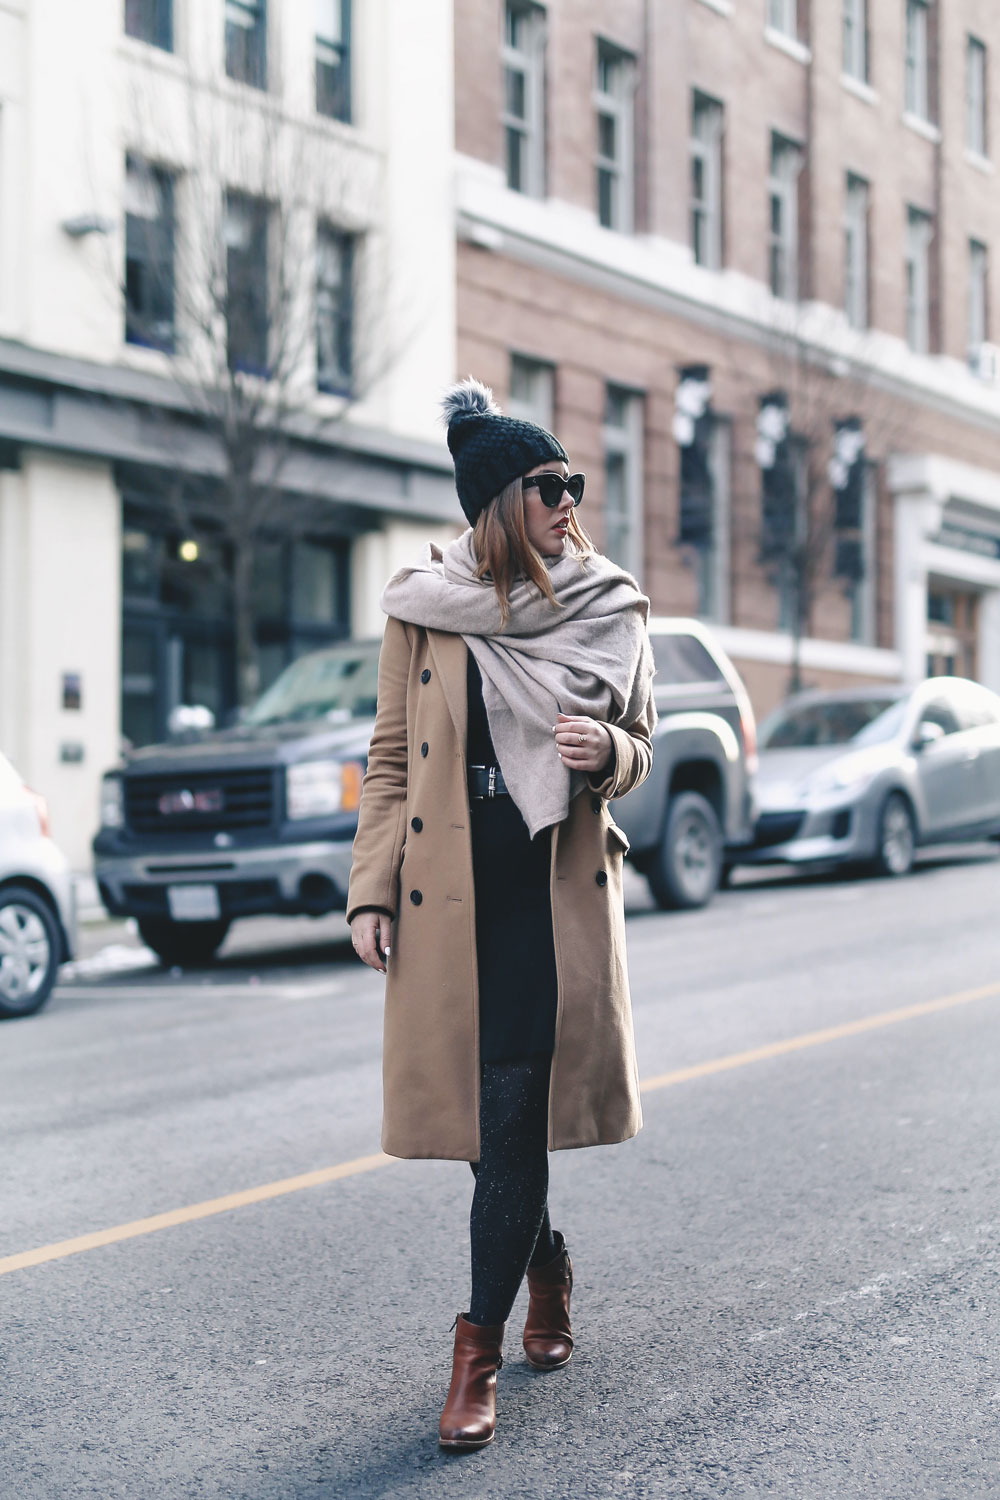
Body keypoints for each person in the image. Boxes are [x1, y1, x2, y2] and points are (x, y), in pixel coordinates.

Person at [347, 378, 655, 1451]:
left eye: (572, 482)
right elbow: (388, 762)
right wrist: (369, 893)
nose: (569, 500)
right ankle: (545, 1260)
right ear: (495, 505)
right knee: (491, 1131)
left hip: (541, 885)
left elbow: (644, 745)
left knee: (512, 1110)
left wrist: (605, 753)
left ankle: (473, 1353)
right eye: (545, 485)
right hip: (446, 893)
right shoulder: (422, 608)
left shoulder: (606, 603)